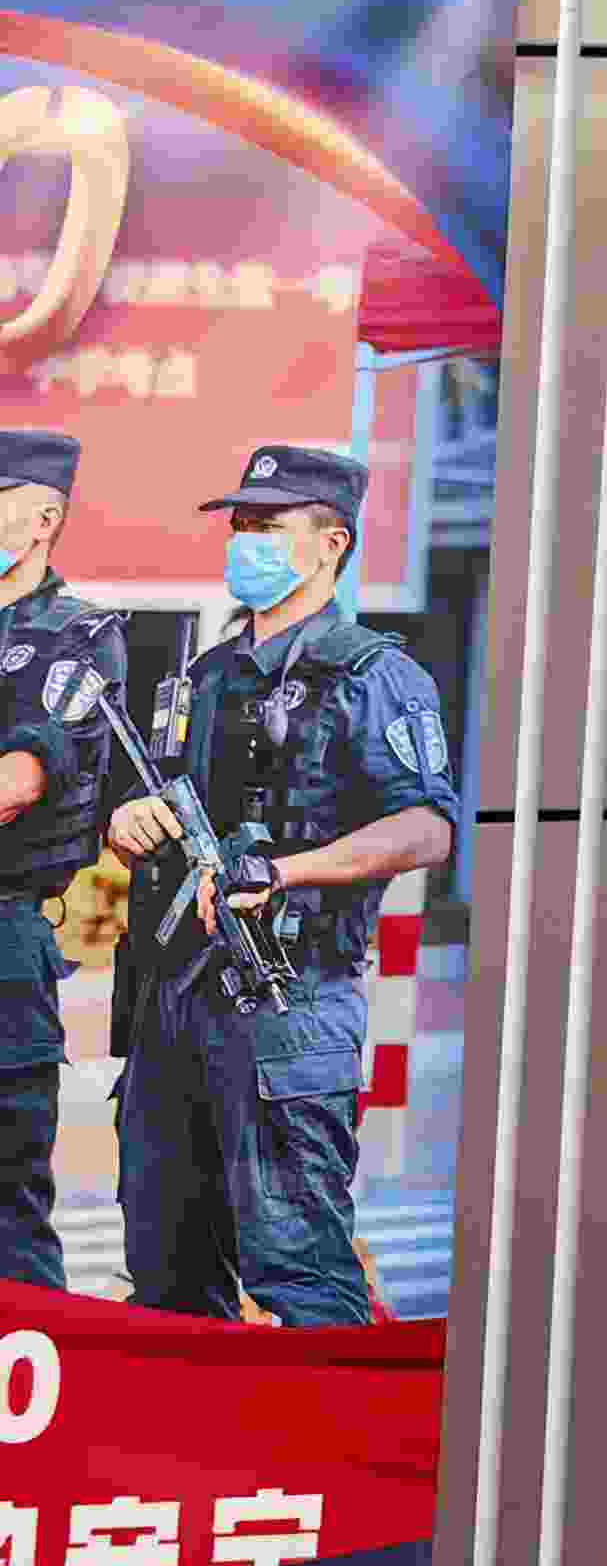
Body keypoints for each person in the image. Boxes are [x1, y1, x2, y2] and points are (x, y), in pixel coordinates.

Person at [107, 441, 457, 1327]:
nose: (245, 541)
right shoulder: (206, 677)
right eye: (240, 525)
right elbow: (170, 807)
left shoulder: (376, 676)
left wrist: (288, 870)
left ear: (332, 543)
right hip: (173, 999)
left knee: (298, 1269)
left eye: (267, 525)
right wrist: (133, 820)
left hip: (287, 1002)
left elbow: (429, 827)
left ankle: (335, 1420)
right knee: (167, 1267)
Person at [0, 430, 126, 1294]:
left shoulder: (76, 637)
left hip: (6, 937)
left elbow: (16, 783)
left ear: (44, 519)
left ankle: (35, 1366)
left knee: (7, 1210)